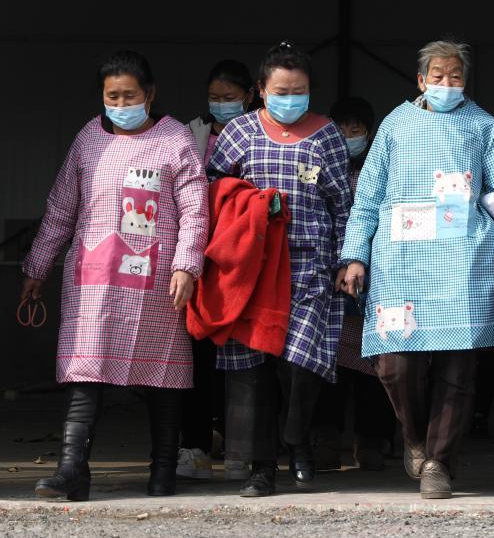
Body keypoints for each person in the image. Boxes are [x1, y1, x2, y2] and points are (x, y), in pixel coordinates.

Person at [341, 40, 494, 499]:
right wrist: (354, 255)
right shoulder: (394, 126)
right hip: (399, 263)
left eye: (456, 76)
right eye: (439, 76)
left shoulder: (482, 126)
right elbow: (366, 198)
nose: (448, 84)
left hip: (462, 263)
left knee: (458, 370)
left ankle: (439, 463)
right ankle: (414, 438)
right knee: (395, 365)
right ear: (421, 80)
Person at [21, 50, 208, 500]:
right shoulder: (88, 138)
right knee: (85, 370)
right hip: (94, 282)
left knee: (164, 376)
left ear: (151, 94)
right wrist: (37, 267)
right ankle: (72, 471)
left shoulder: (176, 139)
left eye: (130, 95)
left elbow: (196, 210)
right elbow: (61, 209)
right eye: (113, 96)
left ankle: (162, 471)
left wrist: (187, 265)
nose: (121, 104)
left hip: (158, 283)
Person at [207, 41, 352, 497]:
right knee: (253, 372)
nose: (291, 98)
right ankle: (262, 466)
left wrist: (347, 260)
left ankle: (297, 439)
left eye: (300, 90)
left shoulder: (326, 134)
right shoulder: (239, 132)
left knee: (299, 365)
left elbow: (344, 204)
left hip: (311, 268)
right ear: (260, 91)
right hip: (251, 272)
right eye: (282, 90)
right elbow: (212, 191)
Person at [178, 59, 255, 481]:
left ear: (250, 95)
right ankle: (195, 445)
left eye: (230, 98)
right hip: (201, 258)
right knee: (198, 354)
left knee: (245, 357)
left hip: (244, 259)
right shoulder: (191, 135)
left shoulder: (262, 133)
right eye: (215, 98)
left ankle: (242, 445)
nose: (221, 105)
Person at [311, 96, 398, 471]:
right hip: (325, 281)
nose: (347, 137)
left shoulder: (384, 172)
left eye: (356, 130)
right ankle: (325, 440)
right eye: (340, 128)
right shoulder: (314, 168)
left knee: (375, 368)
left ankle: (372, 442)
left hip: (374, 282)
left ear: (370, 133)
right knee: (328, 367)